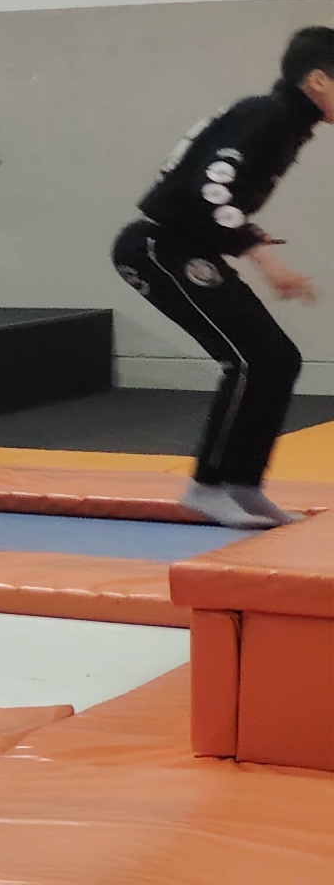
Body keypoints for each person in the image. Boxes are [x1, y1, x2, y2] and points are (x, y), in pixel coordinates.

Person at [114, 26, 334, 528]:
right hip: (157, 247)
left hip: (185, 246)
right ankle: (206, 486)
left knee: (278, 358)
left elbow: (214, 192)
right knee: (249, 359)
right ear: (318, 80)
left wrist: (250, 238)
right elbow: (208, 189)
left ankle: (243, 484)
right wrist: (262, 254)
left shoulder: (284, 122)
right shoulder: (268, 115)